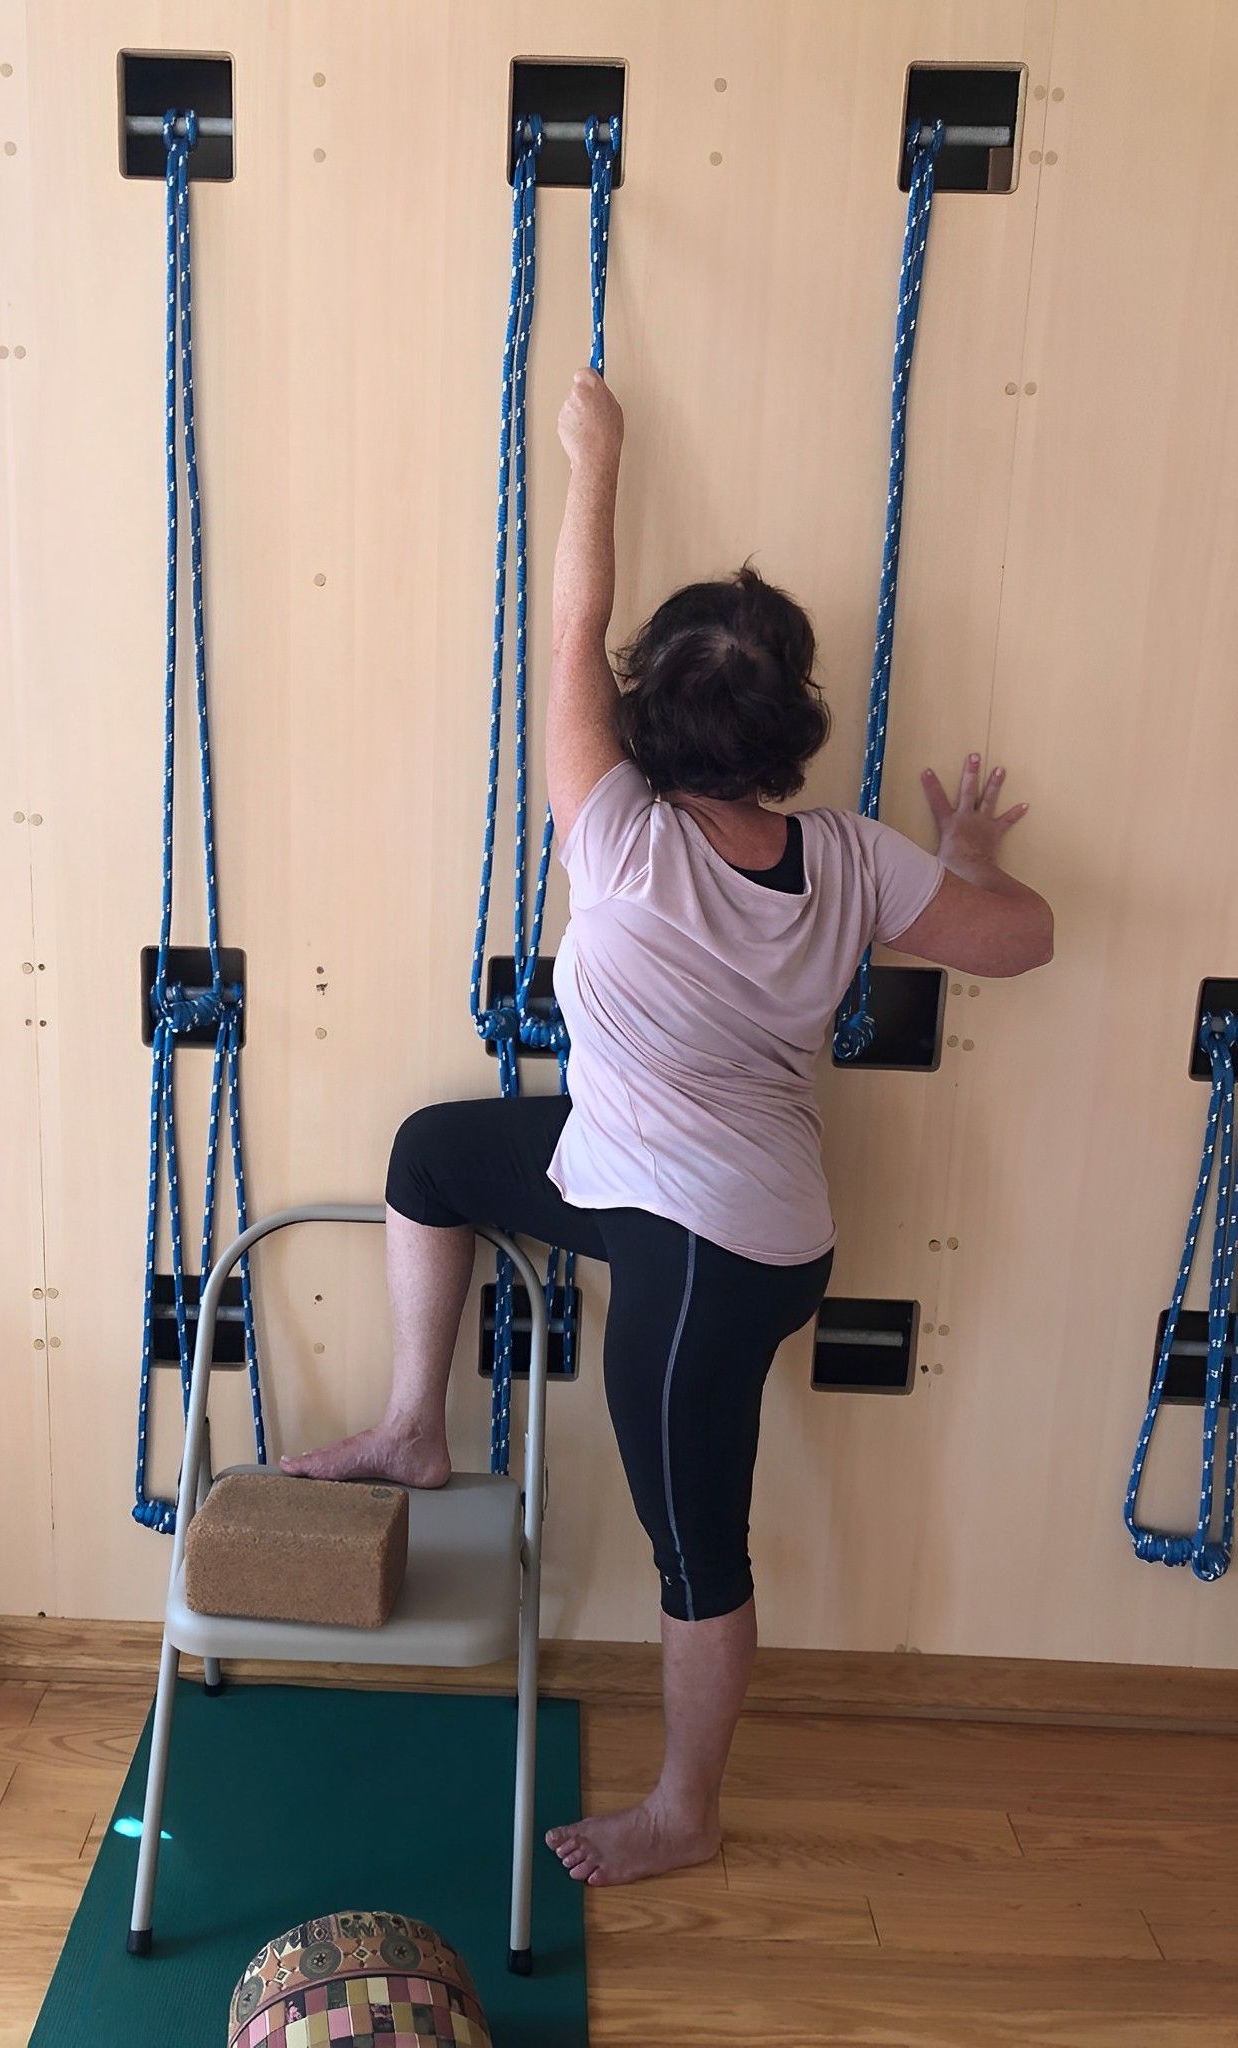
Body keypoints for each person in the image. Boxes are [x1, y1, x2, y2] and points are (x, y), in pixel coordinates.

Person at [283, 370, 1054, 1886]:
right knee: (433, 1155)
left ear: (644, 720)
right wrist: (959, 861)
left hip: (709, 1255)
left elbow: (572, 627)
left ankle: (687, 1812)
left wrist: (598, 456)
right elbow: (1023, 937)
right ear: (798, 726)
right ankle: (416, 1427)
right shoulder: (852, 859)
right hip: (662, 1187)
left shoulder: (617, 834)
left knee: (697, 1547)